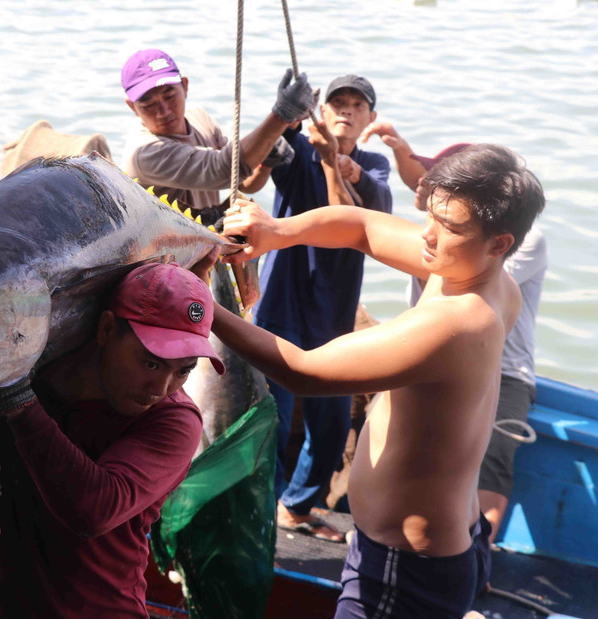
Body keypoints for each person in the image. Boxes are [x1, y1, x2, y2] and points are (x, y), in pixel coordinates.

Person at [202, 143, 545, 618]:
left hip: (404, 572)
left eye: (449, 228)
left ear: (500, 243)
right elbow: (363, 228)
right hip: (421, 551)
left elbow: (301, 370)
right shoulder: (476, 273)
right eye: (429, 216)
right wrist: (278, 231)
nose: (427, 235)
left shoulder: (461, 321)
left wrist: (201, 306)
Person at [0, 262, 224, 618]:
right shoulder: (37, 365)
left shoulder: (174, 421)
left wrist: (17, 398)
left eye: (184, 369)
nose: (161, 388)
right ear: (107, 328)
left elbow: (94, 509)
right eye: (151, 364)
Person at [387, 136, 548, 541]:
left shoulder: (506, 244)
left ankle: (480, 561)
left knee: (490, 466)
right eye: (425, 177)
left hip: (503, 371)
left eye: (435, 180)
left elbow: (454, 284)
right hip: (437, 360)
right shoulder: (438, 233)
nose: (422, 183)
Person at [255, 75, 392, 542]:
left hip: (335, 314)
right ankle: (259, 514)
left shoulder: (374, 169)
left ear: (370, 119)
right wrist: (283, 119)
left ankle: (295, 505)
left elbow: (348, 220)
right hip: (282, 303)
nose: (346, 111)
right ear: (323, 109)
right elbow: (254, 168)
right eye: (337, 102)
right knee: (270, 419)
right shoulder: (297, 148)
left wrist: (335, 162)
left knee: (332, 424)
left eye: (358, 105)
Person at [120, 48, 316, 221]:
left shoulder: (199, 117)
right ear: (132, 107)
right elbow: (226, 167)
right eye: (148, 105)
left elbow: (241, 181)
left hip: (205, 250)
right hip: (166, 259)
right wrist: (281, 115)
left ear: (185, 86)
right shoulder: (144, 152)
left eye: (170, 96)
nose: (163, 111)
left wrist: (265, 162)